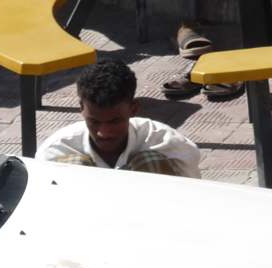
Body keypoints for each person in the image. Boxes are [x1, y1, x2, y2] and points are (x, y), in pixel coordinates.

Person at [36, 59, 201, 178]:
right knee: (71, 168)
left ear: (133, 109)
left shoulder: (166, 143)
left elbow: (193, 194)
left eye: (114, 121)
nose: (104, 133)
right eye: (94, 122)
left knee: (150, 163)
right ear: (81, 109)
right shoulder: (56, 150)